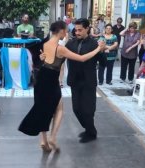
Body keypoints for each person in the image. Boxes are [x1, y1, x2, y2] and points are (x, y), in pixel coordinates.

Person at [18, 20, 105, 151]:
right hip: (52, 80)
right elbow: (81, 58)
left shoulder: (45, 43)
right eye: (69, 30)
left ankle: (44, 140)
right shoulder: (64, 46)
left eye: (79, 30)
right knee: (59, 109)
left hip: (41, 79)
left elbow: (38, 60)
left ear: (87, 29)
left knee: (41, 108)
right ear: (61, 31)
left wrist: (42, 58)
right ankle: (52, 137)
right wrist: (99, 48)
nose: (73, 32)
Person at [65, 18, 106, 143]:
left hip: (88, 81)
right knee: (76, 109)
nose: (77, 32)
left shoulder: (94, 44)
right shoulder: (70, 44)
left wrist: (102, 50)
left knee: (88, 110)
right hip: (74, 81)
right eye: (75, 30)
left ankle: (91, 132)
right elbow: (62, 58)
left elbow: (103, 62)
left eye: (80, 30)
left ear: (87, 29)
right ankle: (89, 128)